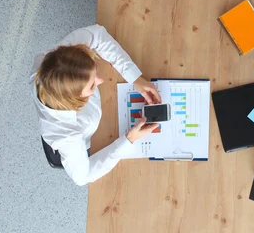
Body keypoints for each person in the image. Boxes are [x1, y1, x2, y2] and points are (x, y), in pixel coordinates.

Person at [32, 25, 161, 185]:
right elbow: (82, 177)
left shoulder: (53, 61)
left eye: (95, 72)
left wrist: (135, 78)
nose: (100, 81)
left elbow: (98, 35)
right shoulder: (68, 136)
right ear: (75, 99)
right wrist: (128, 140)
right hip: (87, 139)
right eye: (92, 85)